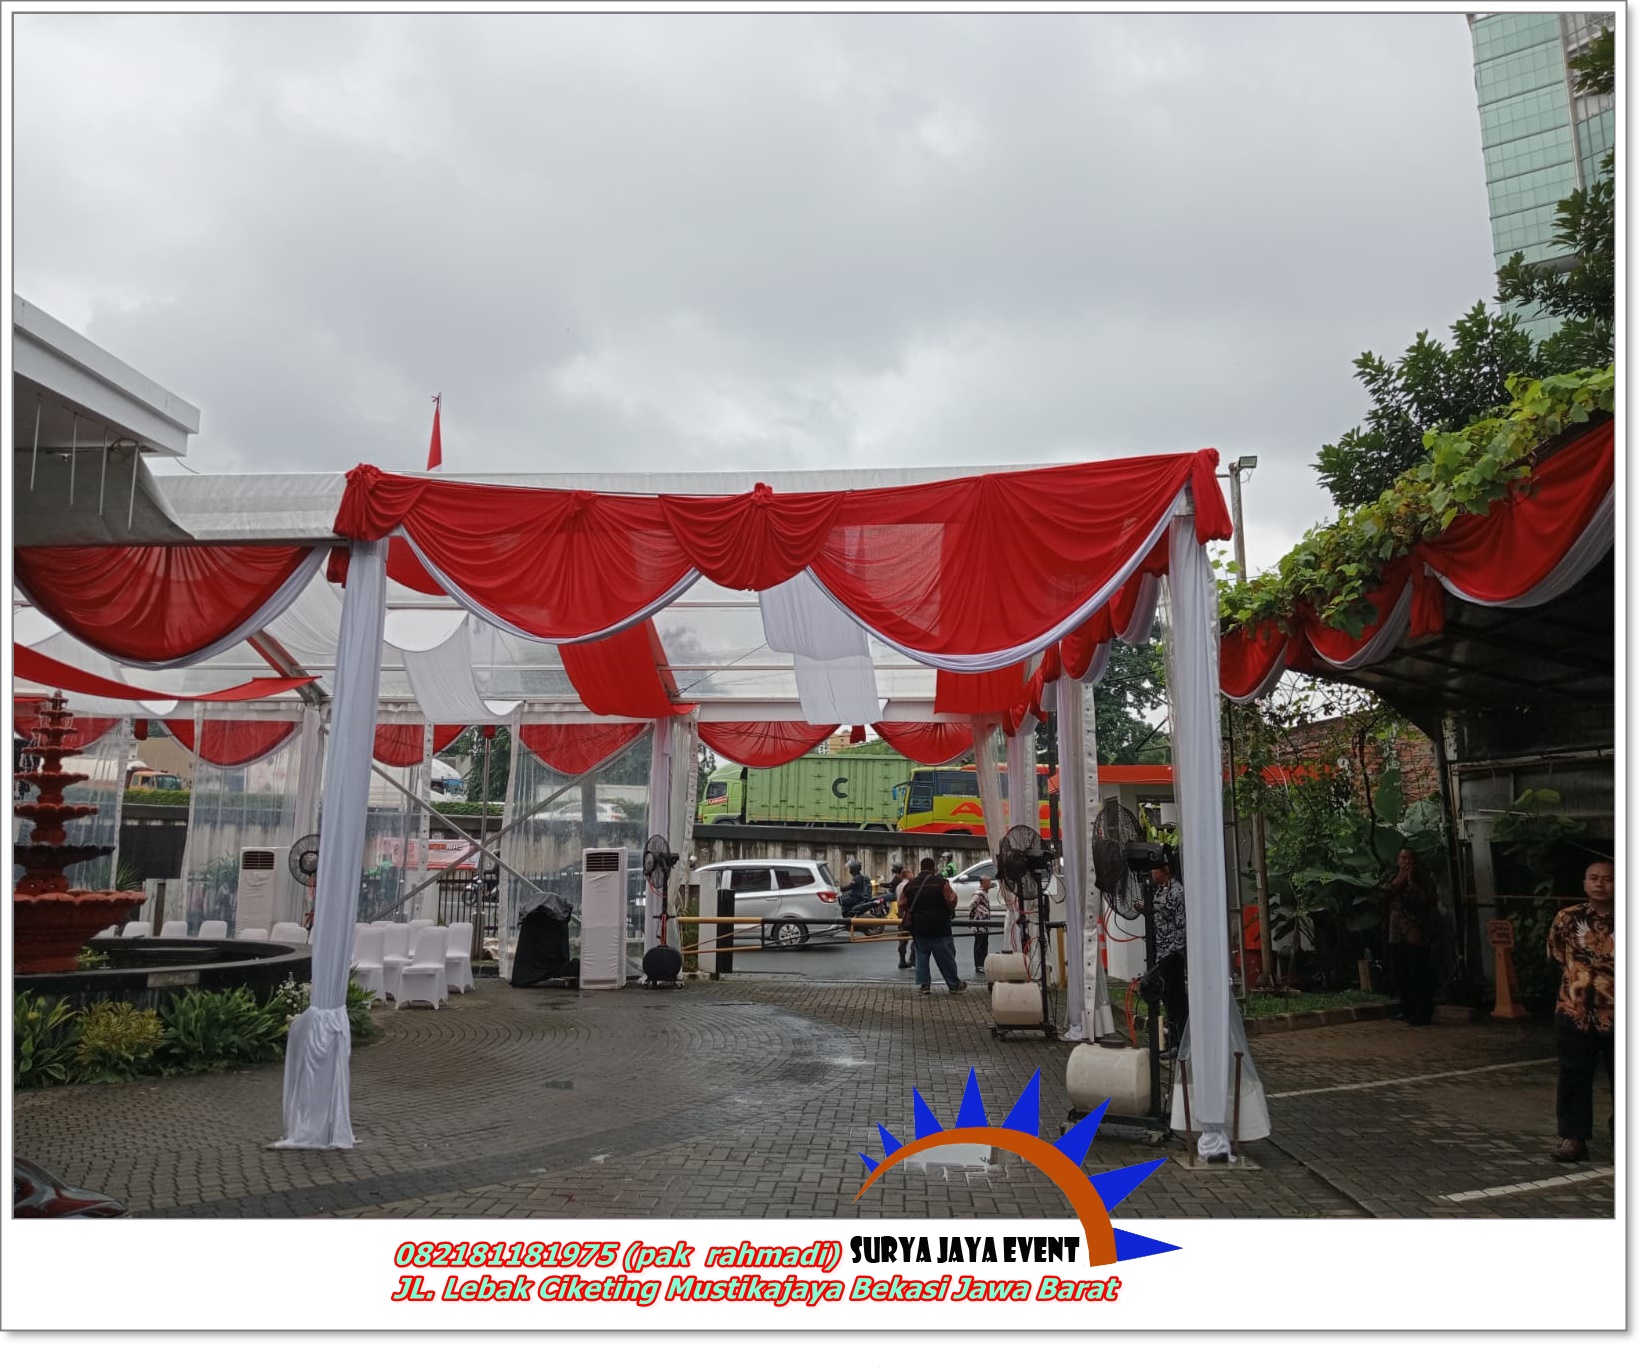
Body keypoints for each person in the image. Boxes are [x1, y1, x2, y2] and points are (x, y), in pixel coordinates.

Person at [1546, 858, 1615, 1162]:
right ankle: (1573, 1137)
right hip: (1575, 1009)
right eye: (1594, 878)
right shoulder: (1566, 918)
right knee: (1573, 1075)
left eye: (1608, 878)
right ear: (1584, 883)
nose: (1601, 883)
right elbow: (1557, 954)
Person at [1383, 848, 1437, 1027]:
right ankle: (1407, 1009)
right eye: (1403, 858)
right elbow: (1381, 897)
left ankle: (1423, 1012)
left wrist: (1412, 882)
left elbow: (1427, 901)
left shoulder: (1423, 879)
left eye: (1409, 858)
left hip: (1416, 932)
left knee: (1418, 972)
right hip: (1396, 932)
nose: (1406, 862)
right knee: (1400, 972)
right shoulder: (1393, 878)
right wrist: (1398, 881)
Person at [898, 857, 966, 996]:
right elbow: (952, 899)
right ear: (933, 867)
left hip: (919, 927)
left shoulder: (910, 885)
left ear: (920, 867)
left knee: (921, 956)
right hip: (940, 926)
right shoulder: (941, 883)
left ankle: (924, 986)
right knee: (945, 957)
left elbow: (901, 903)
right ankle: (954, 985)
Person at [1149, 861, 1187, 1054]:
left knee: (1176, 999)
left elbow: (1182, 927)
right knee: (1166, 999)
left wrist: (1172, 951)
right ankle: (1172, 1040)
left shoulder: (1177, 892)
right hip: (1161, 952)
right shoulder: (1159, 891)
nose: (1152, 873)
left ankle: (1182, 1042)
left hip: (1172, 955)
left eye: (1154, 870)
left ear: (1165, 870)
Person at [887, 861, 914, 969]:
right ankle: (913, 958)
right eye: (911, 874)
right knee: (916, 937)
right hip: (909, 914)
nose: (913, 875)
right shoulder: (909, 885)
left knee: (902, 938)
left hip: (901, 914)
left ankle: (902, 961)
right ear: (908, 875)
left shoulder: (898, 886)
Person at [968, 875, 996, 977]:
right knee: (979, 944)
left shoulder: (984, 893)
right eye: (988, 882)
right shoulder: (978, 894)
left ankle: (983, 963)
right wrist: (973, 918)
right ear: (983, 883)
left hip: (984, 923)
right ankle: (979, 965)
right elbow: (972, 905)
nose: (990, 884)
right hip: (980, 922)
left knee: (984, 943)